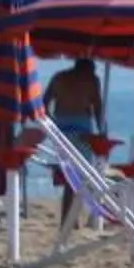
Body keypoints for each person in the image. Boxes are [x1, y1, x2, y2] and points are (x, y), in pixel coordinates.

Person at [41, 57, 106, 230]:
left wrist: (50, 123)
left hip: (61, 126)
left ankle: (70, 218)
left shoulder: (59, 77)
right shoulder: (92, 80)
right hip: (82, 128)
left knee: (68, 173)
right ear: (89, 68)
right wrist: (102, 130)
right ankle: (69, 219)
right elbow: (97, 106)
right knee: (79, 175)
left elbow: (44, 103)